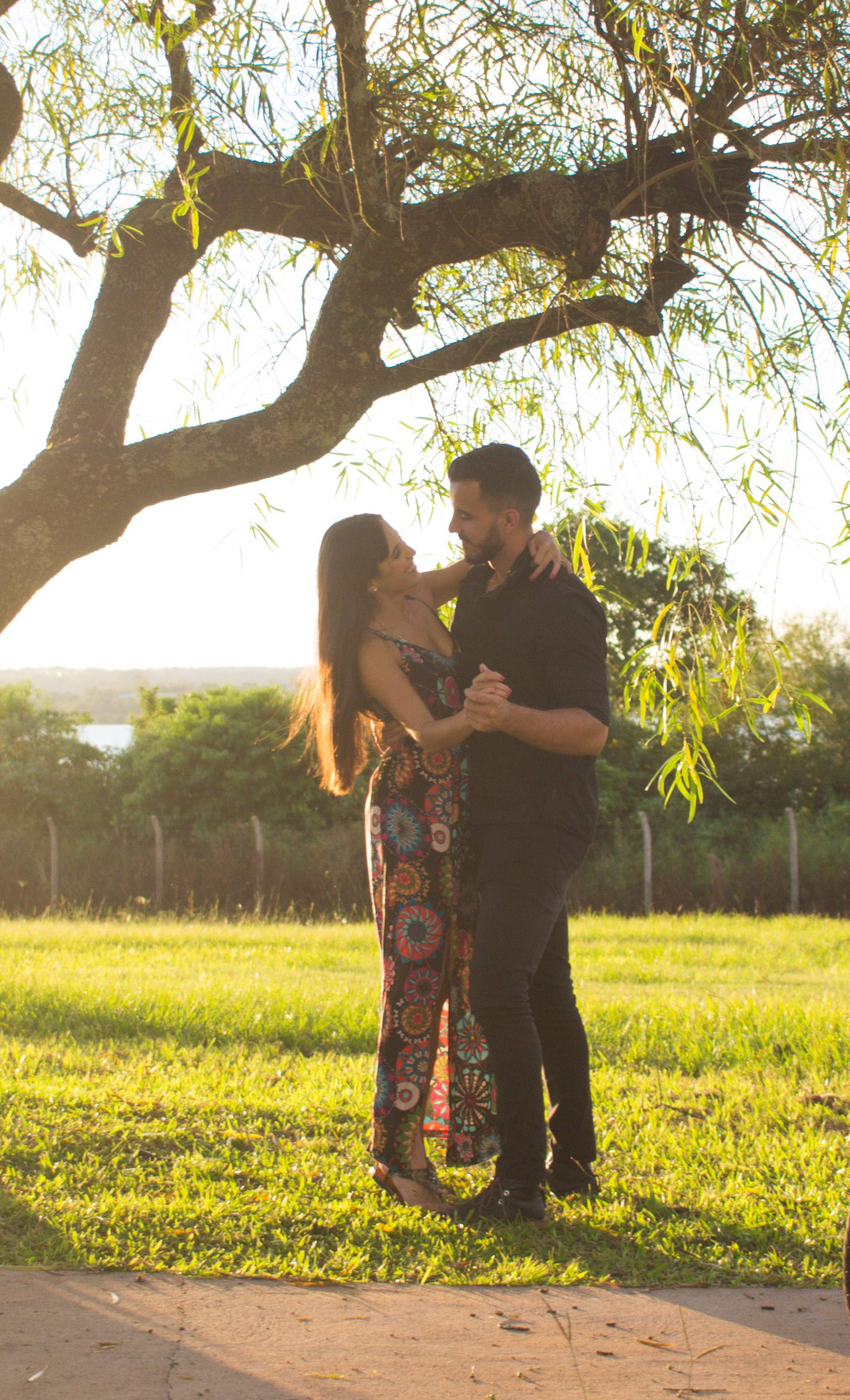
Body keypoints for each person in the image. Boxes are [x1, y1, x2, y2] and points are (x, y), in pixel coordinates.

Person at [300, 511, 563, 1214]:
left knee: (471, 978)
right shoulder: (367, 646)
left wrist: (542, 541)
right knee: (417, 984)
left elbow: (486, 564)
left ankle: (463, 1143)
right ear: (369, 574)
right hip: (414, 811)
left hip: (464, 811)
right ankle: (397, 1155)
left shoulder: (420, 597)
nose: (413, 549)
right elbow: (426, 733)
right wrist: (482, 717)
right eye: (396, 549)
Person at [445, 443, 612, 1225]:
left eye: (468, 514)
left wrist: (506, 718)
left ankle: (519, 1187)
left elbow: (589, 732)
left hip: (544, 821)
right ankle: (573, 1159)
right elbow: (405, 585)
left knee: (497, 990)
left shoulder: (565, 603)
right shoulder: (484, 582)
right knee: (546, 991)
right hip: (496, 816)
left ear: (509, 519)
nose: (454, 526)